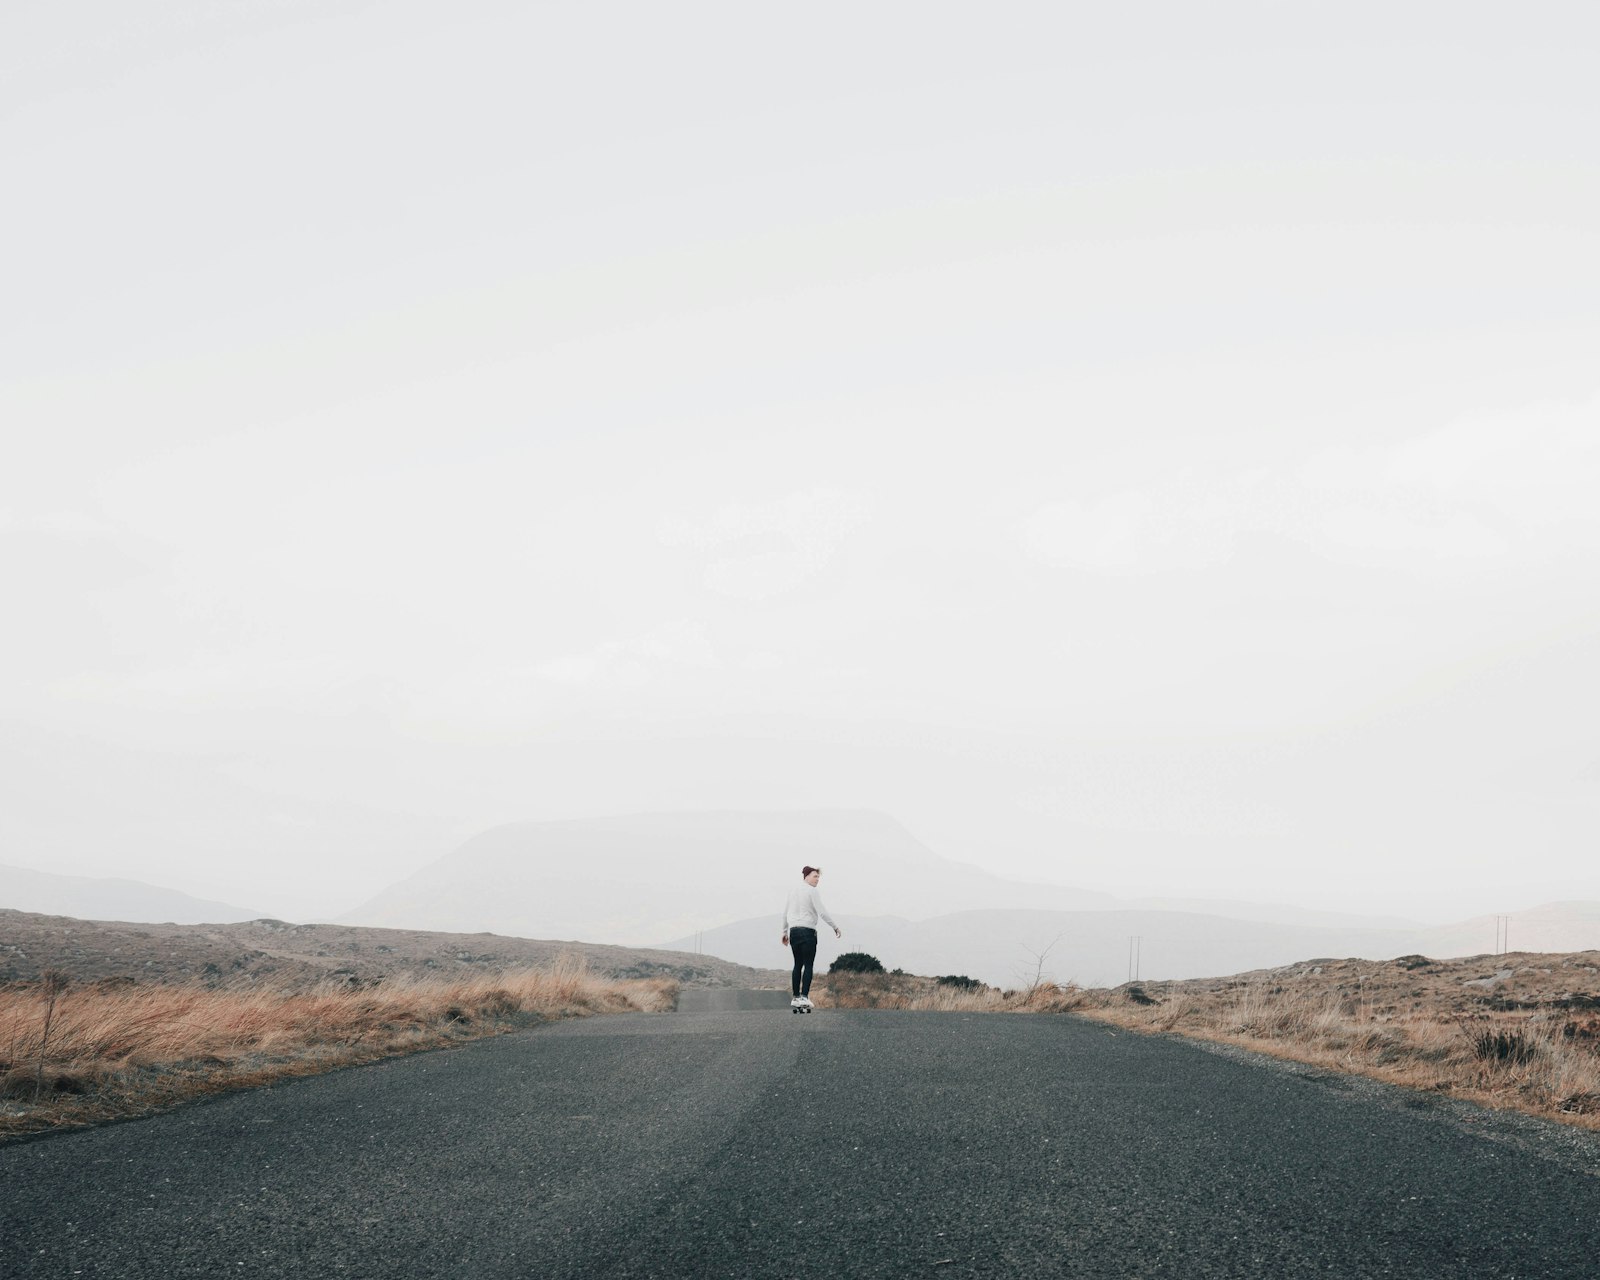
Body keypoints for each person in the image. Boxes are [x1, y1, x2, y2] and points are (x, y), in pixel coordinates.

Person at [781, 865, 841, 1010]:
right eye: (815, 876)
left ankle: (795, 997)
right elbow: (822, 912)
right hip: (807, 931)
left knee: (797, 964)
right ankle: (804, 997)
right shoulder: (812, 891)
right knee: (808, 964)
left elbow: (785, 912)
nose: (817, 880)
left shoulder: (792, 891)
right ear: (806, 876)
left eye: (818, 878)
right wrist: (835, 927)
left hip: (794, 931)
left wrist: (784, 931)